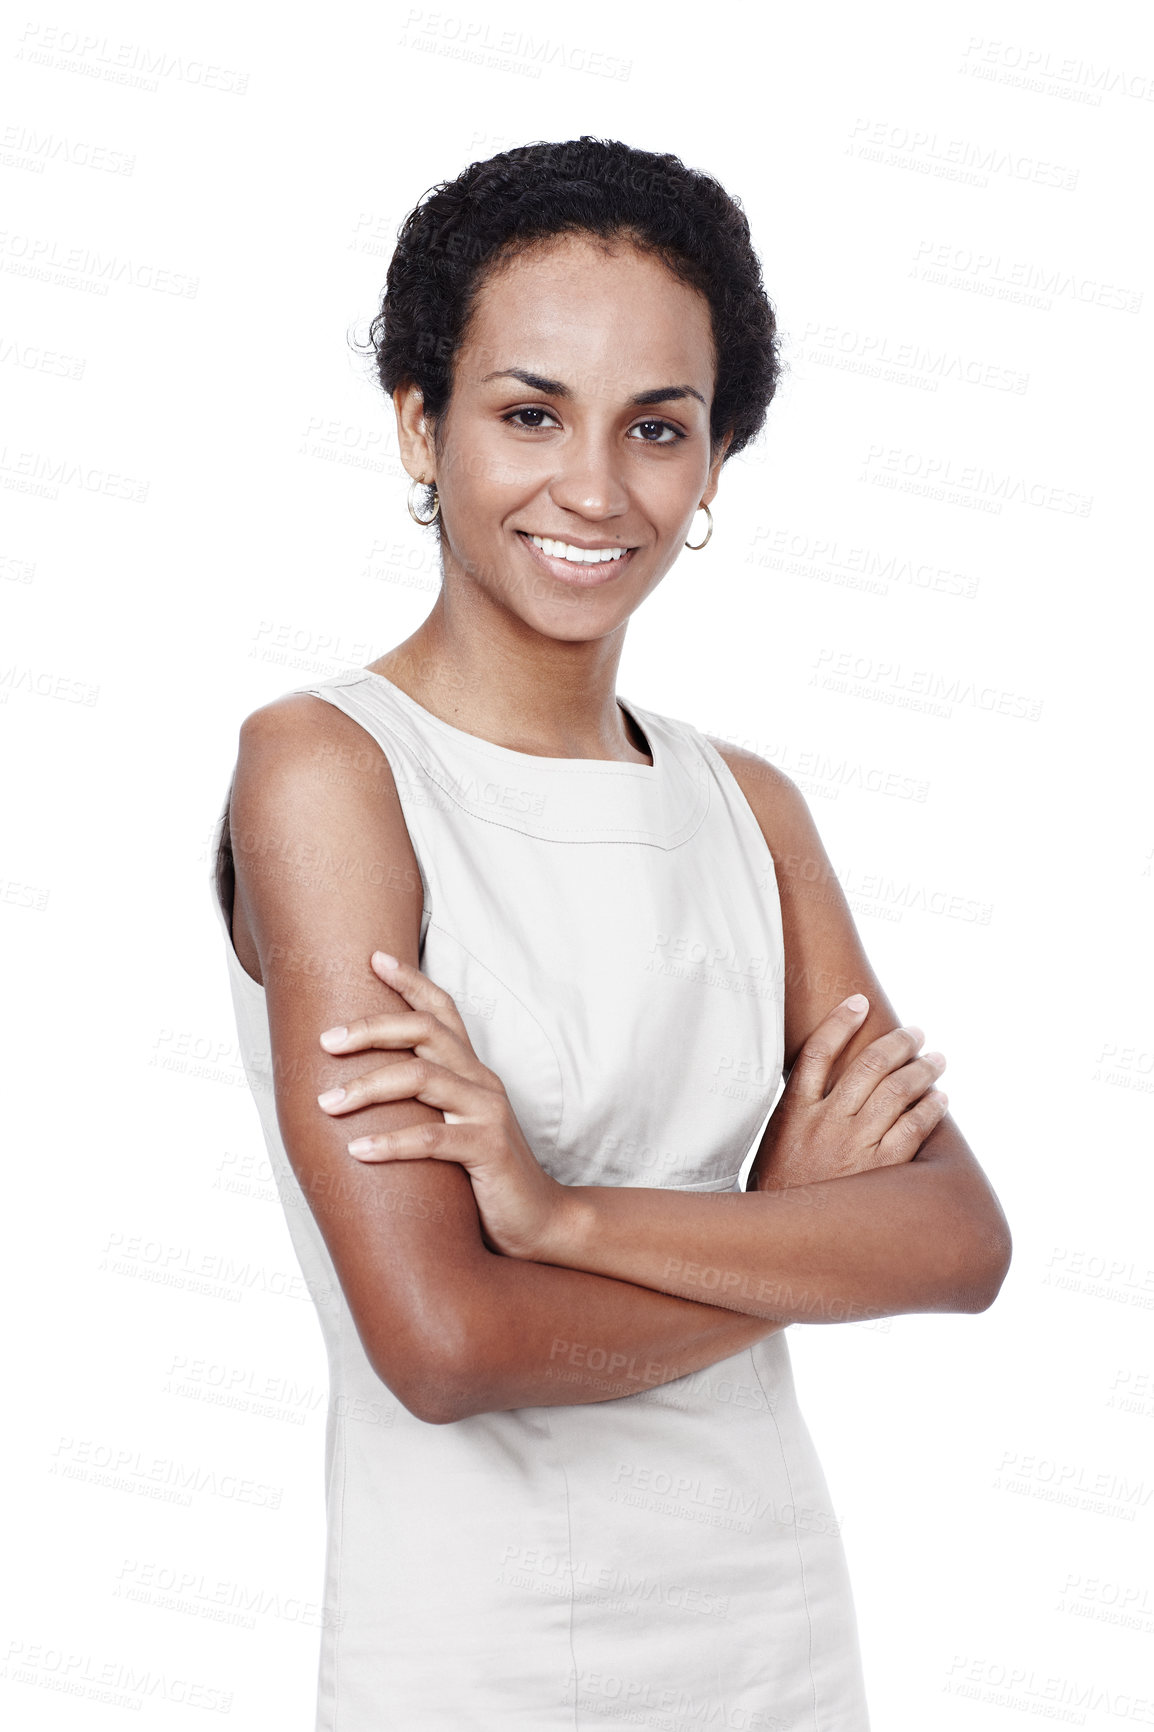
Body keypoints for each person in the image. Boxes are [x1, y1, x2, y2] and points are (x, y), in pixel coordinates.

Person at [210, 136, 1012, 1731]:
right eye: (527, 414)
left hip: (774, 1627)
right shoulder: (328, 769)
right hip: (488, 1653)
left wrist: (562, 1219)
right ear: (417, 425)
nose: (594, 488)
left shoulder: (748, 806)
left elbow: (956, 1244)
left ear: (714, 464)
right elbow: (442, 1343)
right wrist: (789, 1230)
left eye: (658, 427)